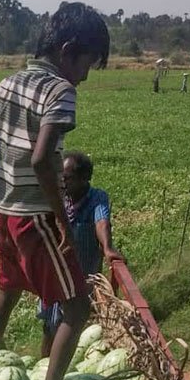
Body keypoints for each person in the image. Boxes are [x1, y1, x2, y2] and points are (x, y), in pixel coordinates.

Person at [0, 2, 110, 380]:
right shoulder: (61, 90)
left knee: (8, 290)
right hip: (35, 217)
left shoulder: (9, 83)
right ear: (68, 49)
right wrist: (61, 219)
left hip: (6, 215)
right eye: (87, 63)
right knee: (76, 308)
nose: (86, 75)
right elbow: (43, 159)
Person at [37, 151, 122, 354]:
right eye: (61, 177)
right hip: (54, 275)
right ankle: (44, 365)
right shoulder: (57, 198)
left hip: (82, 281)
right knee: (49, 328)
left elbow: (101, 222)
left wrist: (108, 248)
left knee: (77, 332)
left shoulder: (97, 198)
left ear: (85, 179)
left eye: (68, 178)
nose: (63, 182)